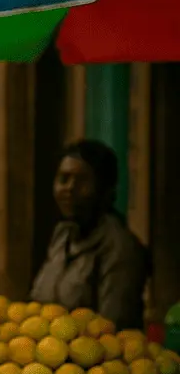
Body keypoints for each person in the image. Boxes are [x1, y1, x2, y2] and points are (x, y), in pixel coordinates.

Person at [29, 139, 147, 329]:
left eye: (82, 181)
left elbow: (112, 327)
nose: (69, 188)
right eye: (63, 179)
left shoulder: (120, 248)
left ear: (104, 189)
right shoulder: (62, 235)